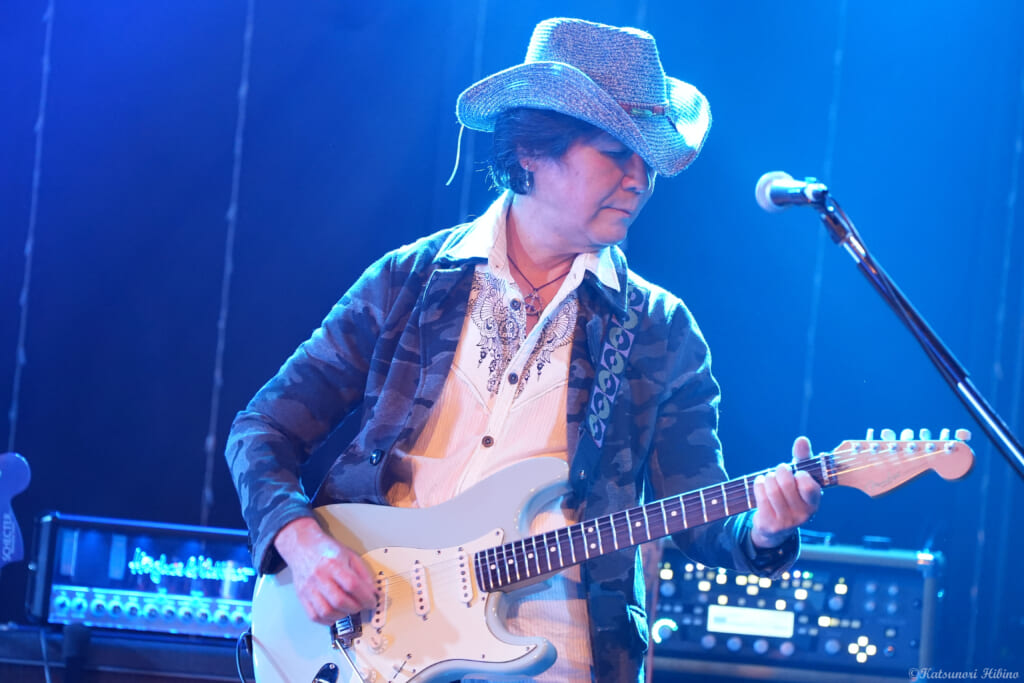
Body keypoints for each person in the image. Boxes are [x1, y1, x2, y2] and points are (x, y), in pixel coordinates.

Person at [226, 17, 822, 683]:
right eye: (616, 153)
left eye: (648, 161)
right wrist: (303, 544)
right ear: (532, 151)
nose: (639, 180)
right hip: (367, 640)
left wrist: (766, 529)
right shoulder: (410, 281)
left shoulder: (660, 331)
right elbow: (262, 430)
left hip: (556, 658)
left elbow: (699, 514)